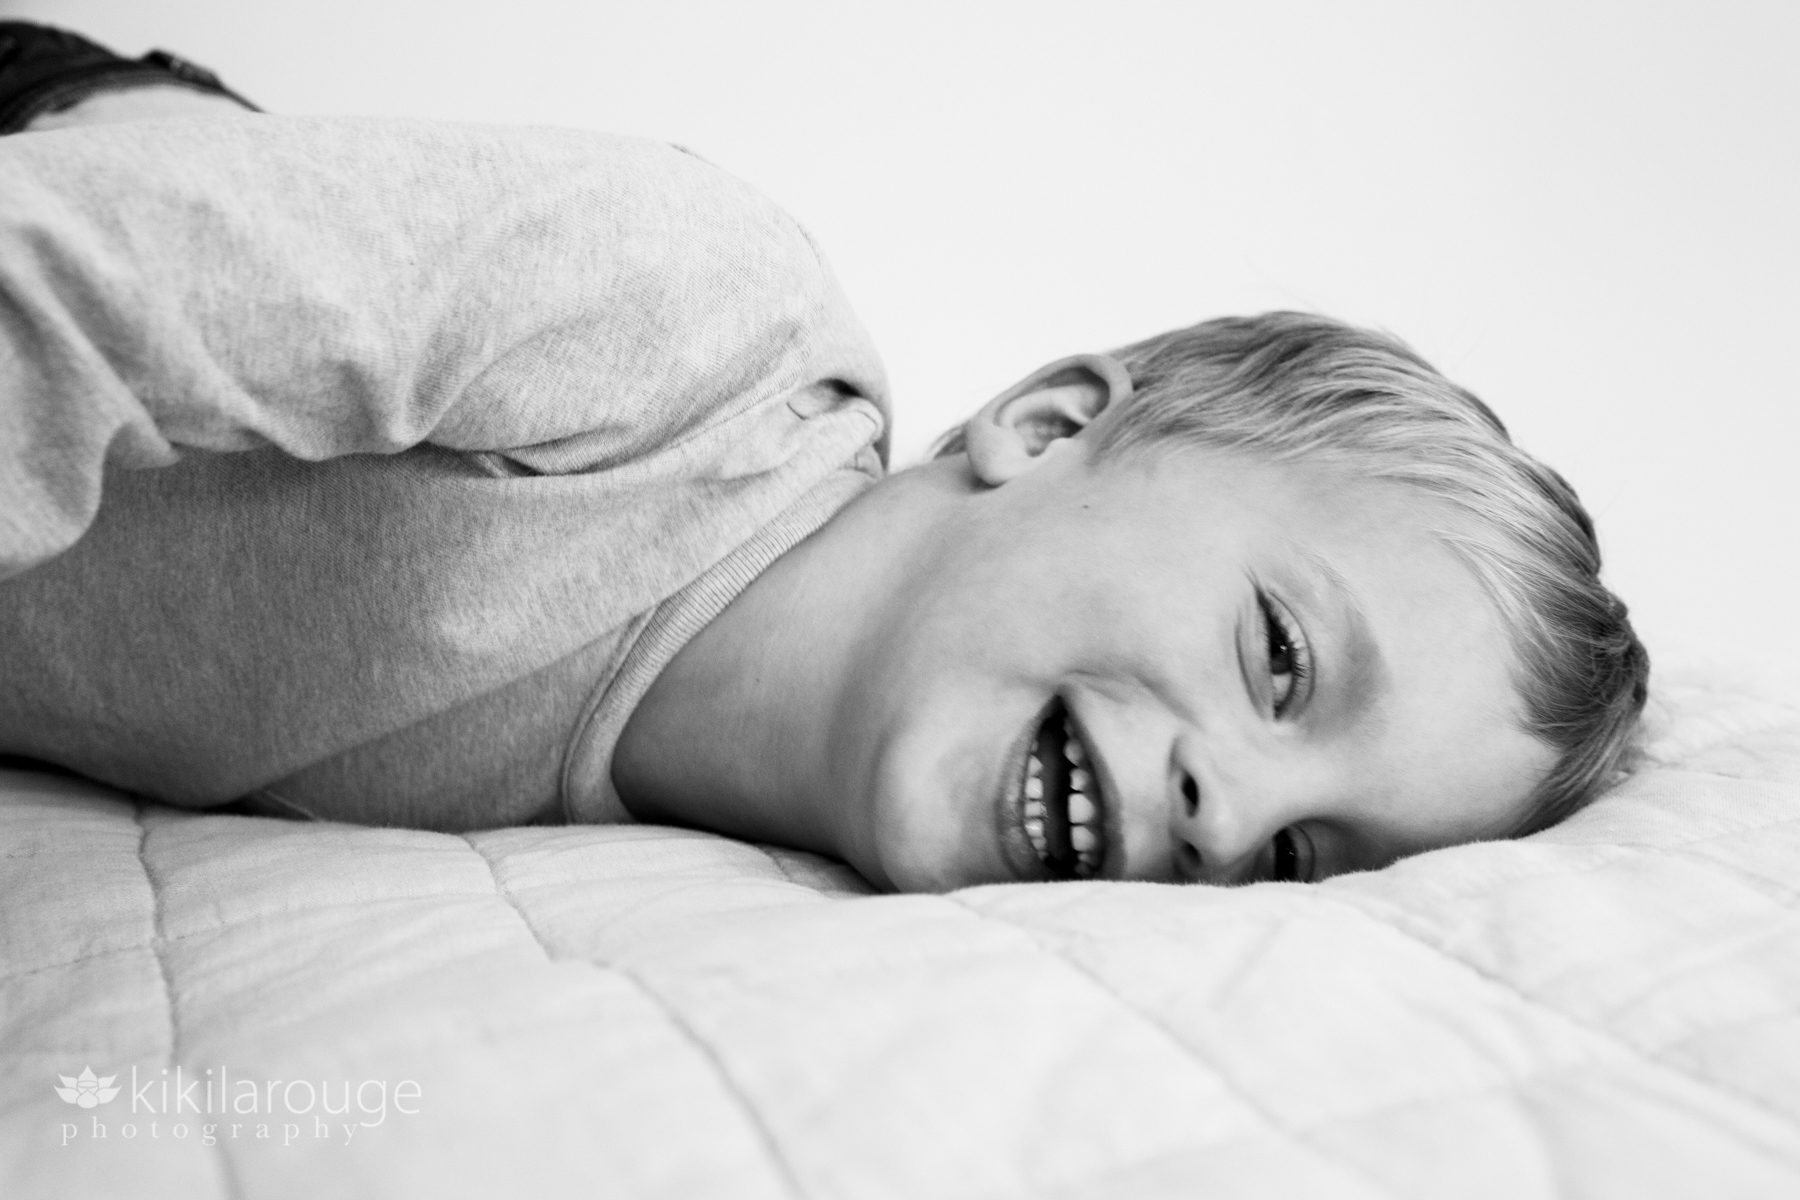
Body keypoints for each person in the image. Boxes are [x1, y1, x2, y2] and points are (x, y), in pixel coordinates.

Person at [0, 22, 1648, 893]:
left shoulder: (661, 870)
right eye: (1280, 658)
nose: (1234, 816)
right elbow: (54, 280)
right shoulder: (674, 318)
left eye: (1303, 858)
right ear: (1052, 426)